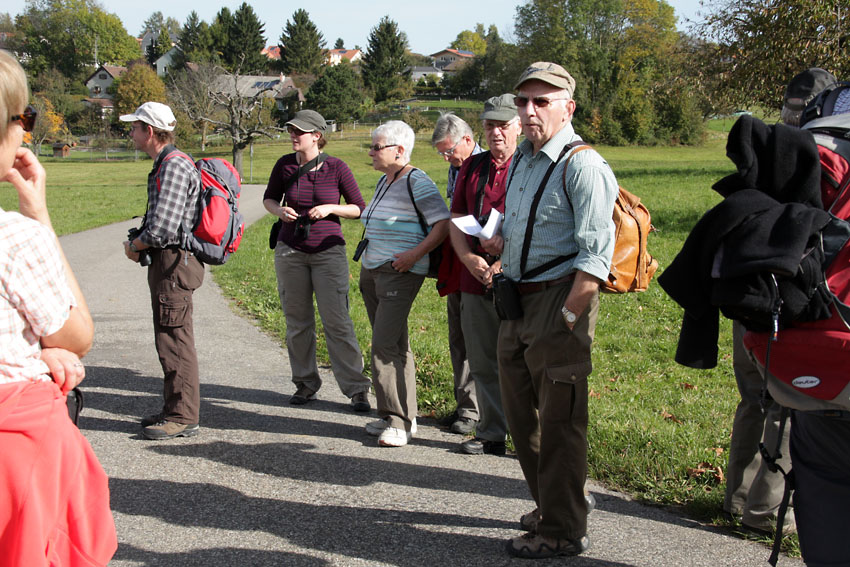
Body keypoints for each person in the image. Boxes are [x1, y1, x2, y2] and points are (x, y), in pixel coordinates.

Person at [483, 62, 618, 558]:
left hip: (559, 303)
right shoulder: (522, 157)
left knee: (560, 422)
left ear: (569, 107)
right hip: (515, 300)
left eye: (542, 101)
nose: (529, 110)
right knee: (522, 418)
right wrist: (501, 244)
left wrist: (567, 317)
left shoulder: (583, 165)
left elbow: (595, 256)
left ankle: (561, 531)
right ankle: (552, 505)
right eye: (523, 101)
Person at [0, 49, 117, 565]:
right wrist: (39, 213)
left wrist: (24, 357)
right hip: (16, 460)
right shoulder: (15, 240)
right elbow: (74, 336)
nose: (26, 131)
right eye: (23, 119)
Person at [720, 69, 835, 535]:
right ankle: (764, 513)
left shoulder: (765, 149)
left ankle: (738, 497)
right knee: (785, 403)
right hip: (794, 297)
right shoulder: (822, 158)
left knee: (753, 399)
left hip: (747, 291)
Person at [263, 110, 372, 411]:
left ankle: (356, 389)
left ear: (317, 135)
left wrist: (330, 209)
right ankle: (305, 384)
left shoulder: (336, 167)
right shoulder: (284, 165)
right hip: (290, 251)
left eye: (300, 131)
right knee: (297, 323)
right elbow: (269, 198)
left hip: (328, 251)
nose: (293, 135)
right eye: (291, 130)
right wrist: (279, 211)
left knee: (337, 321)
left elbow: (358, 208)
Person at [358, 120, 450, 447]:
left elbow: (442, 224)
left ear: (399, 151)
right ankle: (402, 417)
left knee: (383, 346)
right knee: (396, 345)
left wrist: (414, 255)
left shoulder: (417, 181)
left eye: (376, 147)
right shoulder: (386, 180)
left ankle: (396, 421)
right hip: (373, 270)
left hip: (399, 272)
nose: (370, 152)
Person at [120, 101, 205, 440]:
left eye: (134, 127)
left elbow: (163, 229)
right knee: (168, 336)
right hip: (168, 262)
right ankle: (174, 409)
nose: (131, 133)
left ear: (149, 131)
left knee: (175, 339)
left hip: (174, 261)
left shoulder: (172, 166)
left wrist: (135, 246)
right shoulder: (167, 163)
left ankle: (183, 416)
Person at [448, 94, 520, 455]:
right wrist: (466, 259)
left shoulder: (529, 165)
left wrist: (503, 262)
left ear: (519, 125)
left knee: (521, 361)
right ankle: (492, 433)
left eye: (504, 125)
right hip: (474, 278)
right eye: (490, 125)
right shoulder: (471, 167)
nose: (496, 133)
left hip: (519, 278)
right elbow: (456, 218)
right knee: (481, 359)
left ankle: (526, 438)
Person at [431, 113, 482, 435]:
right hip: (458, 263)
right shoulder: (456, 168)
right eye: (442, 154)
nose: (447, 158)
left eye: (449, 151)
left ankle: (481, 412)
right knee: (459, 339)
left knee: (480, 341)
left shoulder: (486, 165)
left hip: (484, 264)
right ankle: (466, 407)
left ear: (467, 139)